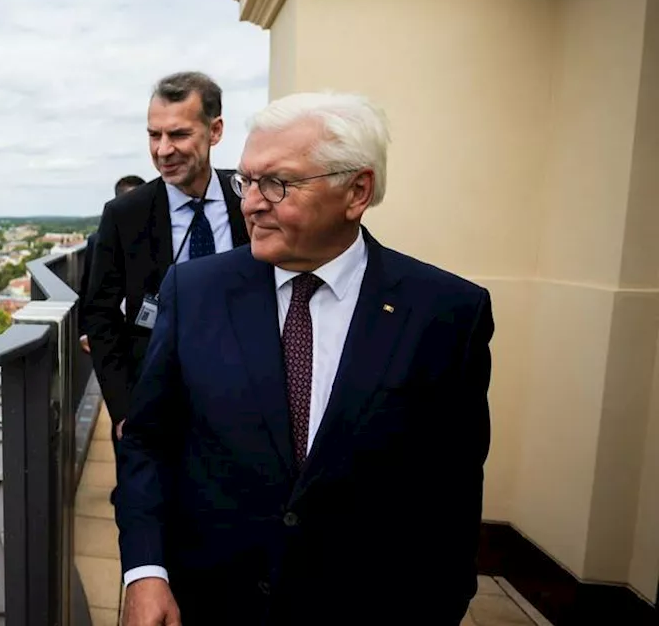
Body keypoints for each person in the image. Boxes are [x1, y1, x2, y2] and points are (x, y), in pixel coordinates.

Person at [116, 91, 493, 625]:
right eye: (246, 181)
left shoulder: (447, 313)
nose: (250, 202)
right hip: (211, 603)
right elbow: (149, 442)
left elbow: (451, 490)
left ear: (356, 191)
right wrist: (145, 572)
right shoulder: (195, 290)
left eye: (278, 183)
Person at [84, 72, 250, 440]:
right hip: (152, 404)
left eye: (178, 134)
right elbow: (99, 314)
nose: (162, 150)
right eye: (153, 135)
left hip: (243, 399)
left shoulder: (251, 198)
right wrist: (125, 409)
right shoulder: (124, 214)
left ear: (216, 130)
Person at [79, 175, 146, 354]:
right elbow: (89, 288)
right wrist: (85, 332)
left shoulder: (159, 237)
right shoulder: (97, 241)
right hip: (112, 331)